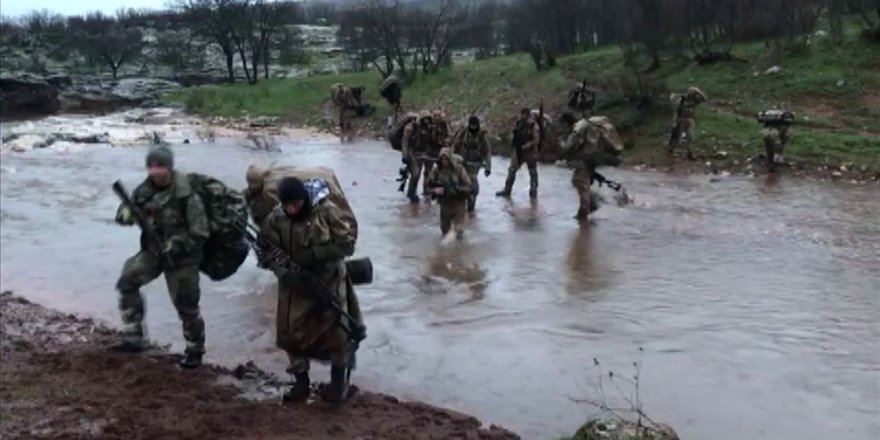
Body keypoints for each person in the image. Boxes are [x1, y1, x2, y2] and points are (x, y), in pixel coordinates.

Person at [262, 176, 364, 404]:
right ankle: (301, 384)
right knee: (290, 332)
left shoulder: (326, 211)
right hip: (293, 285)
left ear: (304, 199)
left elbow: (346, 244)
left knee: (338, 334)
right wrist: (283, 272)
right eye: (288, 205)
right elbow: (266, 250)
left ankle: (338, 386)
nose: (292, 209)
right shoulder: (276, 219)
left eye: (297, 204)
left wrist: (313, 255)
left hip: (328, 281)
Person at [113, 146, 209, 369]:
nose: (155, 171)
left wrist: (175, 244)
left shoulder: (186, 194)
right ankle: (134, 335)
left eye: (160, 166)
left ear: (169, 167)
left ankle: (195, 351)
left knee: (187, 305)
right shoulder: (144, 190)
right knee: (127, 281)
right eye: (152, 166)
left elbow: (200, 232)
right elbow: (124, 211)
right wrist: (125, 214)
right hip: (153, 252)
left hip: (183, 257)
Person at [559, 112, 623, 222]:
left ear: (566, 122)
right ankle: (591, 204)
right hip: (591, 159)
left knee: (580, 183)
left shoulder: (577, 129)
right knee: (583, 183)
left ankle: (585, 213)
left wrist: (561, 143)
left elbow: (568, 147)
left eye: (563, 124)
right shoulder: (585, 126)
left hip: (583, 161)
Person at [427, 148, 472, 237]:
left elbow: (469, 186)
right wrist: (436, 191)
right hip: (445, 204)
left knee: (458, 231)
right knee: (445, 231)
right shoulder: (436, 171)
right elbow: (428, 187)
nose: (444, 161)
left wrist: (458, 189)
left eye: (446, 158)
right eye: (442, 159)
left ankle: (460, 248)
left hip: (458, 203)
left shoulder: (459, 170)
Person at [496, 108, 540, 199]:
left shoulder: (533, 126)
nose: (522, 116)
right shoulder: (519, 123)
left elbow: (536, 140)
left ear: (527, 115)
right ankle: (507, 190)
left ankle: (533, 191)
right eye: (521, 114)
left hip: (530, 152)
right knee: (512, 170)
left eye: (523, 114)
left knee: (532, 171)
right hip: (518, 151)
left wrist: (526, 146)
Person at [452, 115, 492, 212]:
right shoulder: (463, 133)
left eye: (475, 126)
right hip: (463, 161)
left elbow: (487, 151)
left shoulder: (482, 135)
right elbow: (455, 146)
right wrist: (453, 159)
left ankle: (471, 203)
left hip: (476, 163)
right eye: (472, 126)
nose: (473, 128)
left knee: (472, 183)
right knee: (460, 181)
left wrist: (488, 166)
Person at [402, 111, 436, 203]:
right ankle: (411, 193)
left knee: (428, 174)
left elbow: (434, 141)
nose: (426, 121)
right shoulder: (411, 127)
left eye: (428, 118)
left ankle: (426, 193)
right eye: (424, 118)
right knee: (416, 174)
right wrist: (405, 155)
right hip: (413, 152)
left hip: (426, 153)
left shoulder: (431, 128)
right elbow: (405, 142)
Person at [668, 86, 707, 160]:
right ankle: (671, 148)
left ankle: (689, 152)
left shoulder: (695, 100)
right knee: (677, 136)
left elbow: (704, 99)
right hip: (681, 119)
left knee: (690, 137)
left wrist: (699, 92)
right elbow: (676, 110)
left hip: (690, 119)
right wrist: (675, 121)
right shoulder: (682, 100)